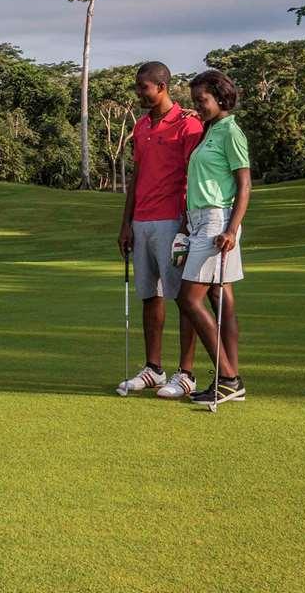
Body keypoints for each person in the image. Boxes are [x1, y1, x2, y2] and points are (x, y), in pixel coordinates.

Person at [117, 61, 204, 398]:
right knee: (149, 295)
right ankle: (153, 368)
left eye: (144, 87)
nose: (139, 92)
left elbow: (194, 178)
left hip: (173, 220)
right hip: (142, 221)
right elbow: (137, 177)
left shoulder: (188, 124)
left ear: (162, 86)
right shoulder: (140, 127)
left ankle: (186, 373)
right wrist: (126, 222)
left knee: (184, 298)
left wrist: (186, 224)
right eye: (138, 87)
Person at [176, 70, 251, 406]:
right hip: (200, 221)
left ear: (221, 98)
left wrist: (232, 229)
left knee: (188, 299)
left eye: (202, 100)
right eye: (195, 102)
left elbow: (244, 184)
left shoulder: (231, 132)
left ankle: (229, 377)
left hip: (217, 221)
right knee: (220, 299)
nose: (198, 106)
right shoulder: (211, 129)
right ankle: (230, 379)